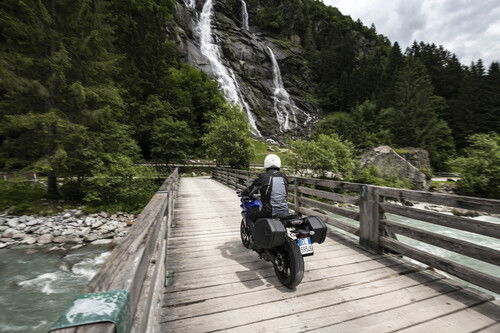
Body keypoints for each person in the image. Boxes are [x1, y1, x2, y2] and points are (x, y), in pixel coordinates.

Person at [242, 154, 289, 223]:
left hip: (268, 211)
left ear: (266, 164)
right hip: (284, 210)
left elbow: (251, 190)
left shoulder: (263, 177)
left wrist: (244, 193)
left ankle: (253, 233)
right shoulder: (284, 177)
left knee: (249, 214)